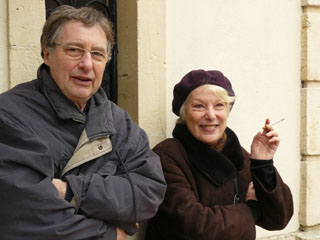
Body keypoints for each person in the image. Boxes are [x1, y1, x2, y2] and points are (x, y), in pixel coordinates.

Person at [0, 5, 166, 240]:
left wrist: (70, 192)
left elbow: (149, 194)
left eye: (98, 54)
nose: (87, 64)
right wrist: (109, 233)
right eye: (74, 50)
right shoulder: (10, 115)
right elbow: (25, 215)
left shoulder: (120, 123)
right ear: (47, 54)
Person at [146, 69, 293, 240]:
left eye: (219, 105)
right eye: (199, 106)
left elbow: (278, 219)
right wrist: (251, 210)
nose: (210, 115)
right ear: (184, 114)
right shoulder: (167, 156)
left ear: (227, 111)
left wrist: (263, 165)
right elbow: (192, 226)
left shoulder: (236, 154)